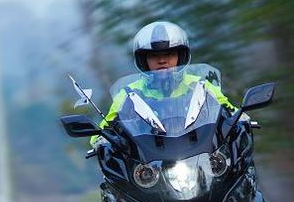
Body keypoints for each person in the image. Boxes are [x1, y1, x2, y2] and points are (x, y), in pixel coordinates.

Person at [90, 21, 237, 147]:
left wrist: (241, 118)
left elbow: (229, 111)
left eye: (169, 54)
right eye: (153, 56)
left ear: (181, 56)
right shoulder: (129, 94)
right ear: (143, 60)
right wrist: (101, 140)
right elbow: (103, 130)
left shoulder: (200, 85)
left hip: (202, 152)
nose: (162, 60)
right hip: (149, 162)